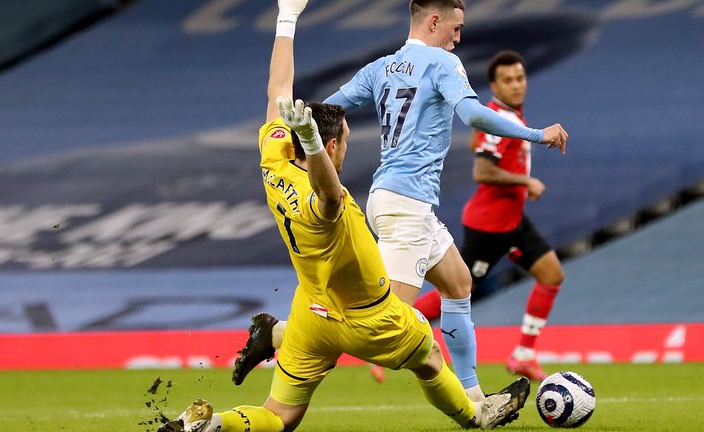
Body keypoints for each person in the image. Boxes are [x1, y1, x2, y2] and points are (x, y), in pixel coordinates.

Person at [159, 2, 530, 431]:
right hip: (365, 317)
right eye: (345, 141)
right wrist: (317, 145)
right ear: (330, 149)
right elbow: (329, 191)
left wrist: (287, 18)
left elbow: (277, 90)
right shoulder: (325, 205)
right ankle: (476, 414)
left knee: (281, 417)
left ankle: (209, 426)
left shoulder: (274, 160)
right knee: (428, 355)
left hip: (311, 314)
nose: (348, 145)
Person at [321, 0, 568, 399]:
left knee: (458, 284)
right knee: (384, 323)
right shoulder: (442, 63)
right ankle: (286, 335)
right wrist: (538, 134)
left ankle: (474, 397)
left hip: (395, 199)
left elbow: (326, 109)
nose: (459, 35)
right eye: (456, 26)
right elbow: (474, 116)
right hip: (406, 205)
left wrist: (290, 133)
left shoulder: (381, 66)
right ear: (434, 21)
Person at [412, 50, 565, 381]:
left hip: (513, 221)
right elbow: (482, 170)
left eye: (520, 78)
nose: (516, 85)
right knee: (455, 293)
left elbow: (479, 146)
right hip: (489, 227)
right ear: (494, 85)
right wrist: (526, 181)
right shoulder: (499, 119)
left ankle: (524, 354)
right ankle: (396, 321)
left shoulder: (506, 117)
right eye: (508, 80)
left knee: (551, 274)